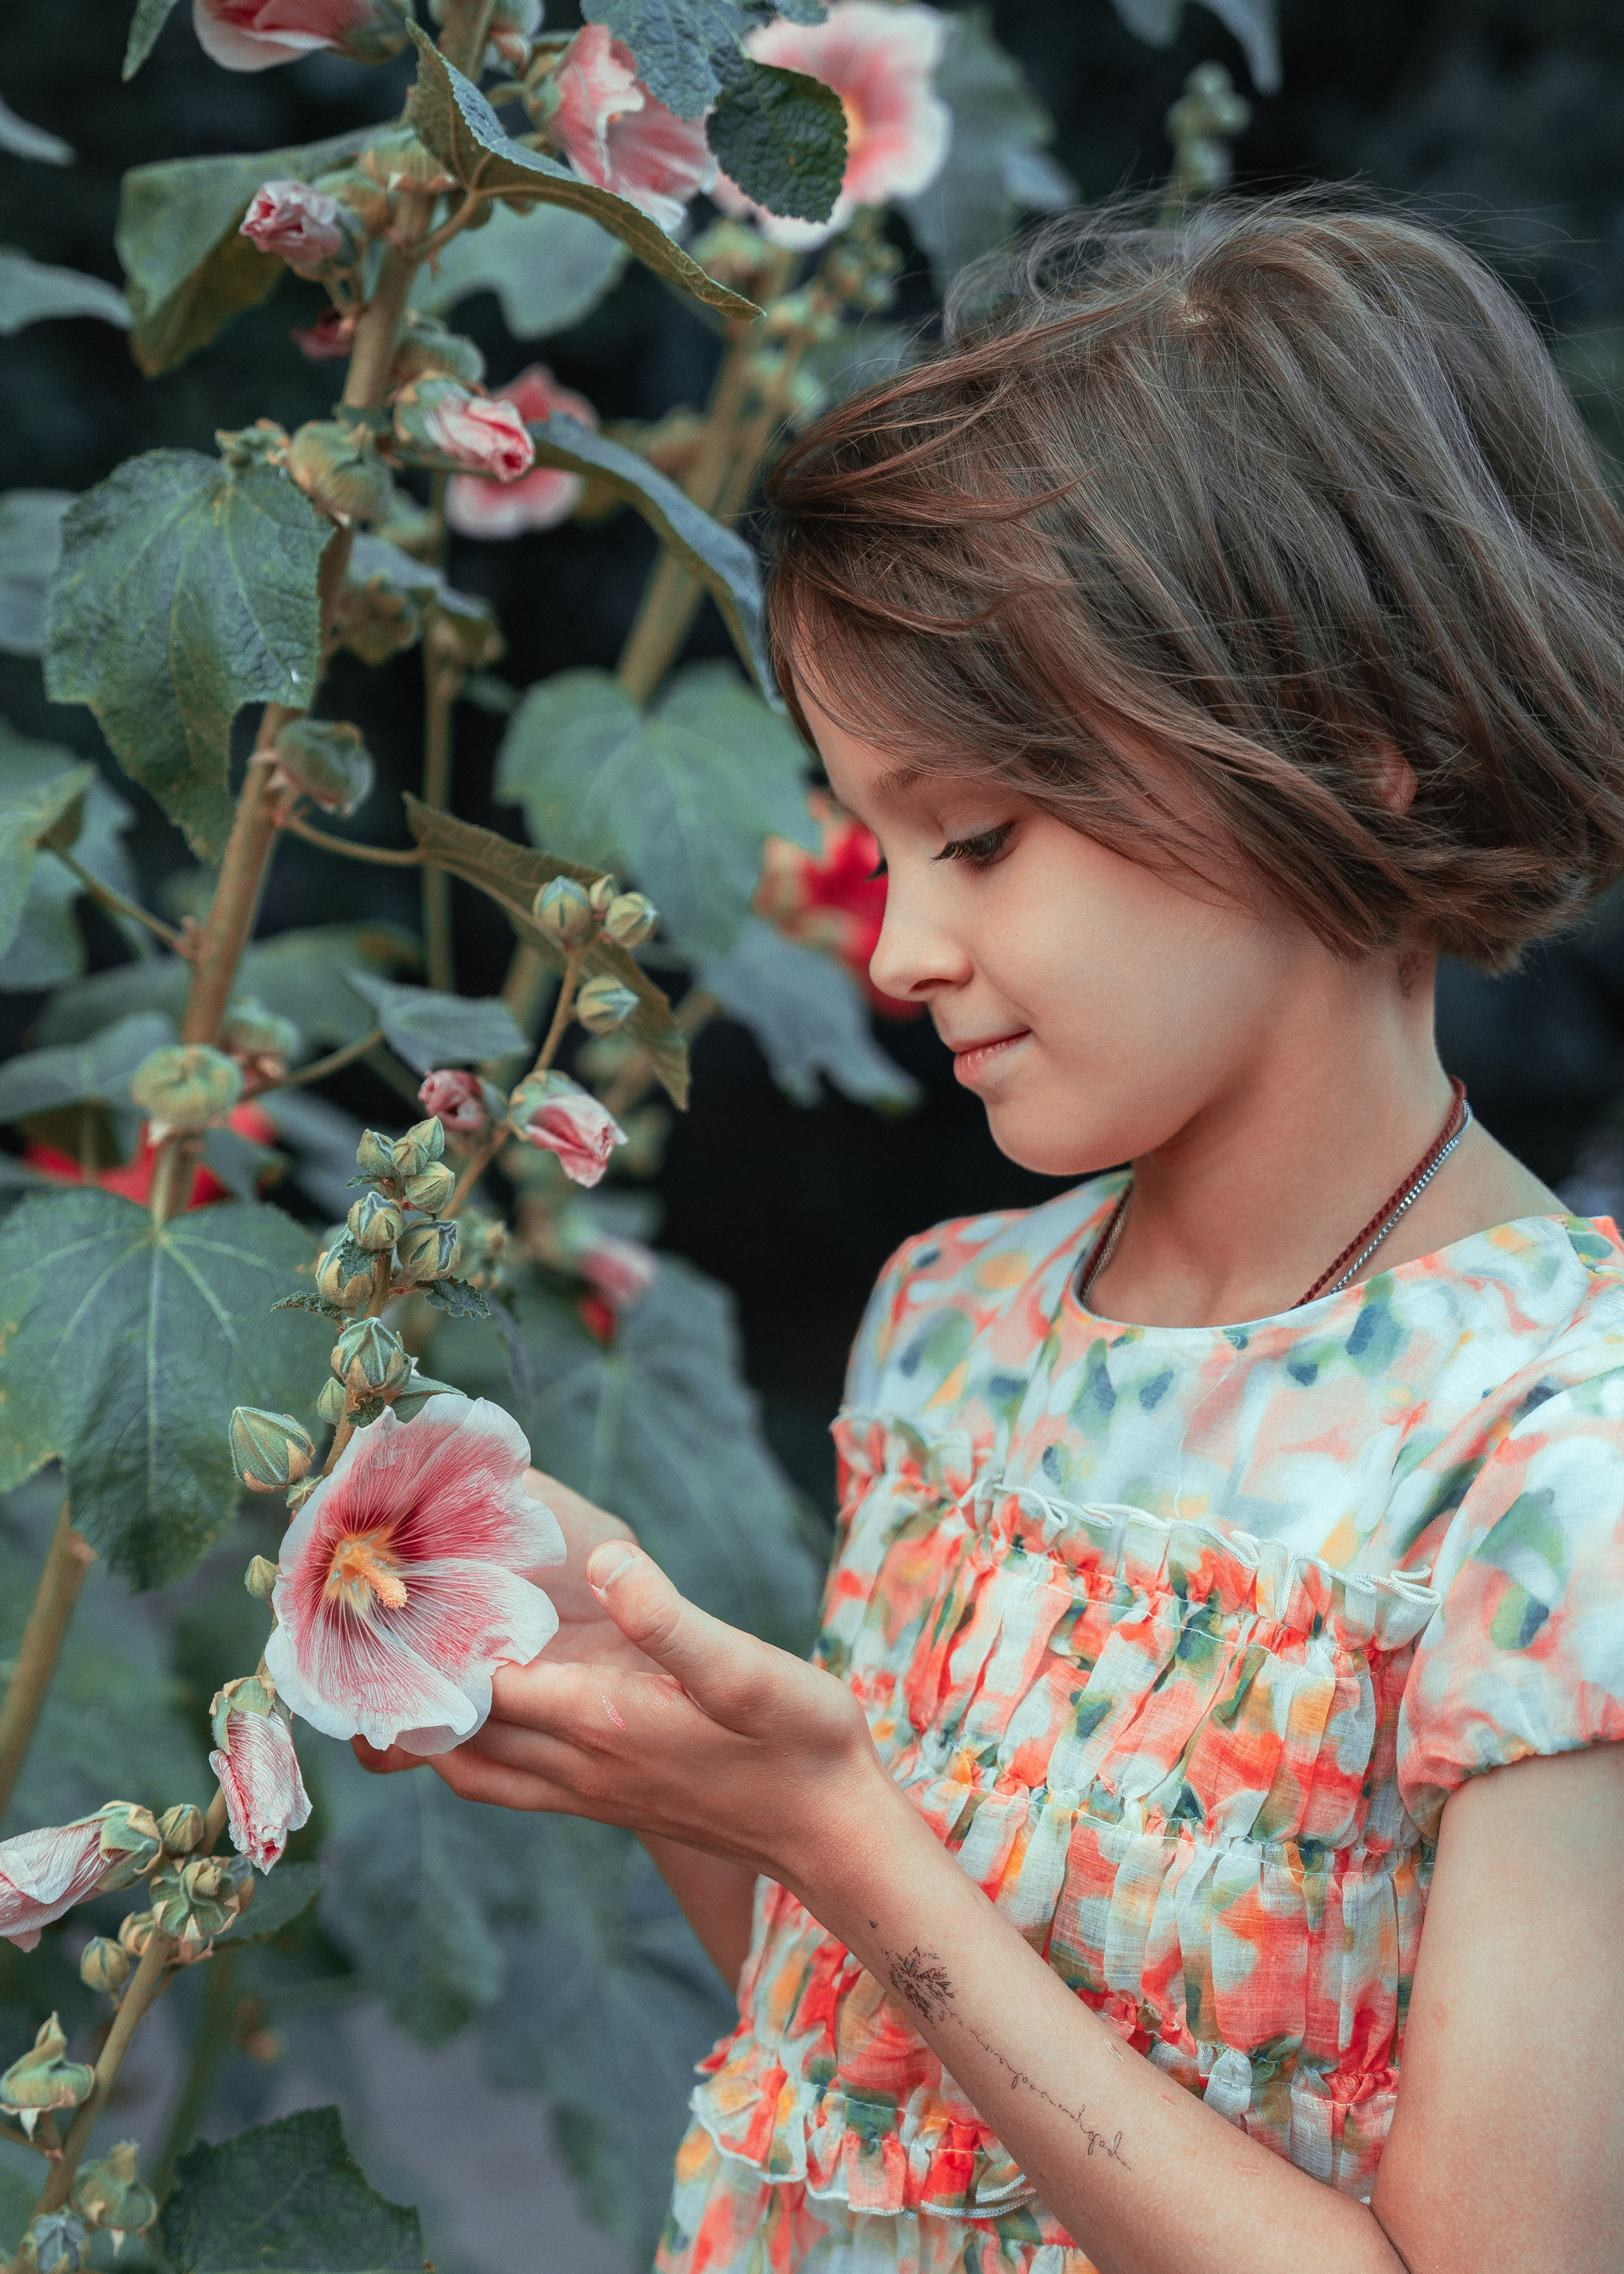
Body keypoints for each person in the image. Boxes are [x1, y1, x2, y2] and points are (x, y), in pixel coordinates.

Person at [358, 200, 1624, 2273]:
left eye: (980, 837)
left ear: (1354, 747)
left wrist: (846, 1836)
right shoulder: (945, 1327)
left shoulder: (1556, 1470)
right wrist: (697, 1763)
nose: (908, 944)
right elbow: (853, 2065)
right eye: (872, 841)